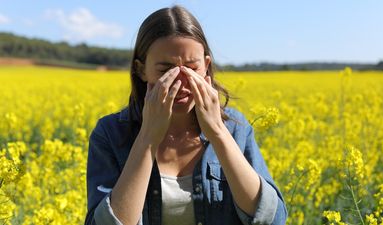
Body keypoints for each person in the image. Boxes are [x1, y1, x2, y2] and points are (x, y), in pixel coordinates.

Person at [84, 5, 287, 225]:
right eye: (165, 70)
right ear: (141, 70)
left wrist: (218, 132)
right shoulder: (110, 134)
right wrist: (148, 137)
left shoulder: (236, 129)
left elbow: (272, 219)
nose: (181, 82)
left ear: (206, 66)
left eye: (192, 68)